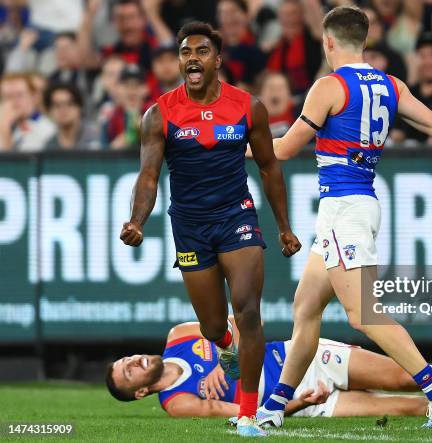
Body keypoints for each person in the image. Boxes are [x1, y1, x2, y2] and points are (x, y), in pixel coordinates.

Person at [254, 5, 432, 431]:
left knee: (363, 314)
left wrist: (225, 146)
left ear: (328, 42)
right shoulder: (390, 84)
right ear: (365, 40)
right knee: (306, 306)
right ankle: (274, 407)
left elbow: (281, 151)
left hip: (344, 209)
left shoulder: (329, 86)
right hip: (358, 206)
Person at [119, 21, 301, 437]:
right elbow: (149, 177)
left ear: (217, 60)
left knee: (248, 310)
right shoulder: (159, 112)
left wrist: (284, 228)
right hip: (189, 227)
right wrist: (137, 221)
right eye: (186, 53)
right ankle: (226, 349)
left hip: (237, 218)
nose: (192, 59)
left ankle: (250, 414)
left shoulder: (248, 106)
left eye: (201, 51)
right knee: (214, 327)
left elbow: (270, 167)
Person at [106, 319, 432, 419]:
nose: (134, 362)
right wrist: (294, 403)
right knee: (408, 407)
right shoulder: (177, 403)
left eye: (126, 359)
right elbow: (237, 416)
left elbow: (237, 324)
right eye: (129, 373)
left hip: (296, 357)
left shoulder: (178, 336)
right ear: (141, 392)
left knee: (409, 374)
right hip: (295, 400)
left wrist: (226, 357)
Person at [0, 72, 55, 152]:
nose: (14, 101)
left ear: (34, 96)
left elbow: (19, 162)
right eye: (8, 96)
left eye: (19, 95)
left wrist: (4, 130)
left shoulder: (46, 128)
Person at [43, 83, 99, 150]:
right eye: (57, 105)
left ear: (79, 108)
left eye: (69, 104)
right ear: (49, 111)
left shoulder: (96, 138)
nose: (63, 110)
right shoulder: (49, 146)